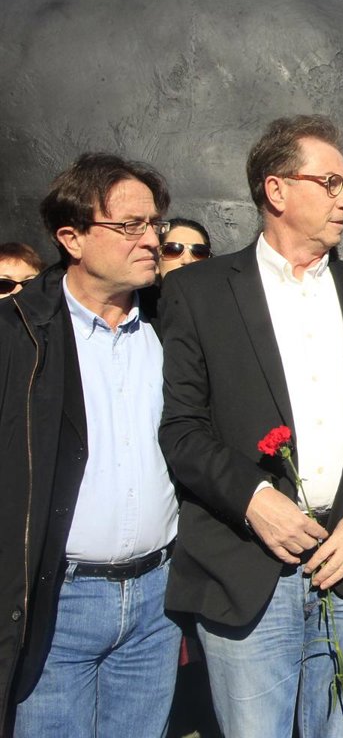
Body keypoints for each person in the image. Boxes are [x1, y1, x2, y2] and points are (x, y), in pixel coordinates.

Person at [158, 115, 343, 737]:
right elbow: (181, 427)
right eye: (331, 182)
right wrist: (253, 499)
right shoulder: (199, 293)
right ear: (276, 190)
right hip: (247, 573)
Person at [0, 153, 179, 735]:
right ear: (71, 238)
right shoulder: (18, 335)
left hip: (157, 605)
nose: (150, 239)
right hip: (56, 605)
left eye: (153, 224)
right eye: (129, 225)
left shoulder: (171, 326)